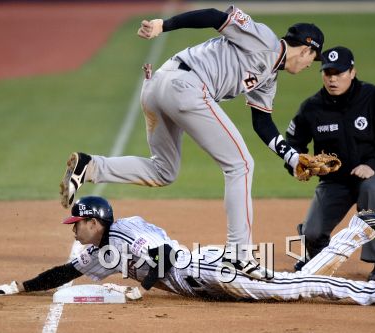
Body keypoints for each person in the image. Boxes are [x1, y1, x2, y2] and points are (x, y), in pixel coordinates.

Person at [60, 6, 326, 279]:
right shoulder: (265, 40)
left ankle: (90, 167)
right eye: (313, 60)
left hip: (157, 86)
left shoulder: (269, 79)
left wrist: (292, 157)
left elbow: (262, 123)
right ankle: (239, 256)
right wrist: (164, 25)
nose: (309, 66)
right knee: (241, 165)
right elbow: (214, 16)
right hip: (185, 86)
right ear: (306, 49)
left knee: (163, 171)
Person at [0, 195, 375, 306]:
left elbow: (162, 258)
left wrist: (141, 285)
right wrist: (20, 286)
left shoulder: (126, 232)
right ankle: (358, 230)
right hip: (200, 283)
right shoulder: (98, 251)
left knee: (290, 290)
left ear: (96, 221)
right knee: (290, 282)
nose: (75, 231)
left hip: (207, 267)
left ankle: (370, 294)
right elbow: (63, 272)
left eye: (78, 224)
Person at [285, 46, 375, 281]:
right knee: (312, 232)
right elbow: (293, 143)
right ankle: (317, 258)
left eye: (339, 73)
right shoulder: (312, 107)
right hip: (334, 181)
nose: (332, 79)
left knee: (370, 191)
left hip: (371, 172)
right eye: (327, 73)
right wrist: (299, 164)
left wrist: (373, 164)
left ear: (352, 72)